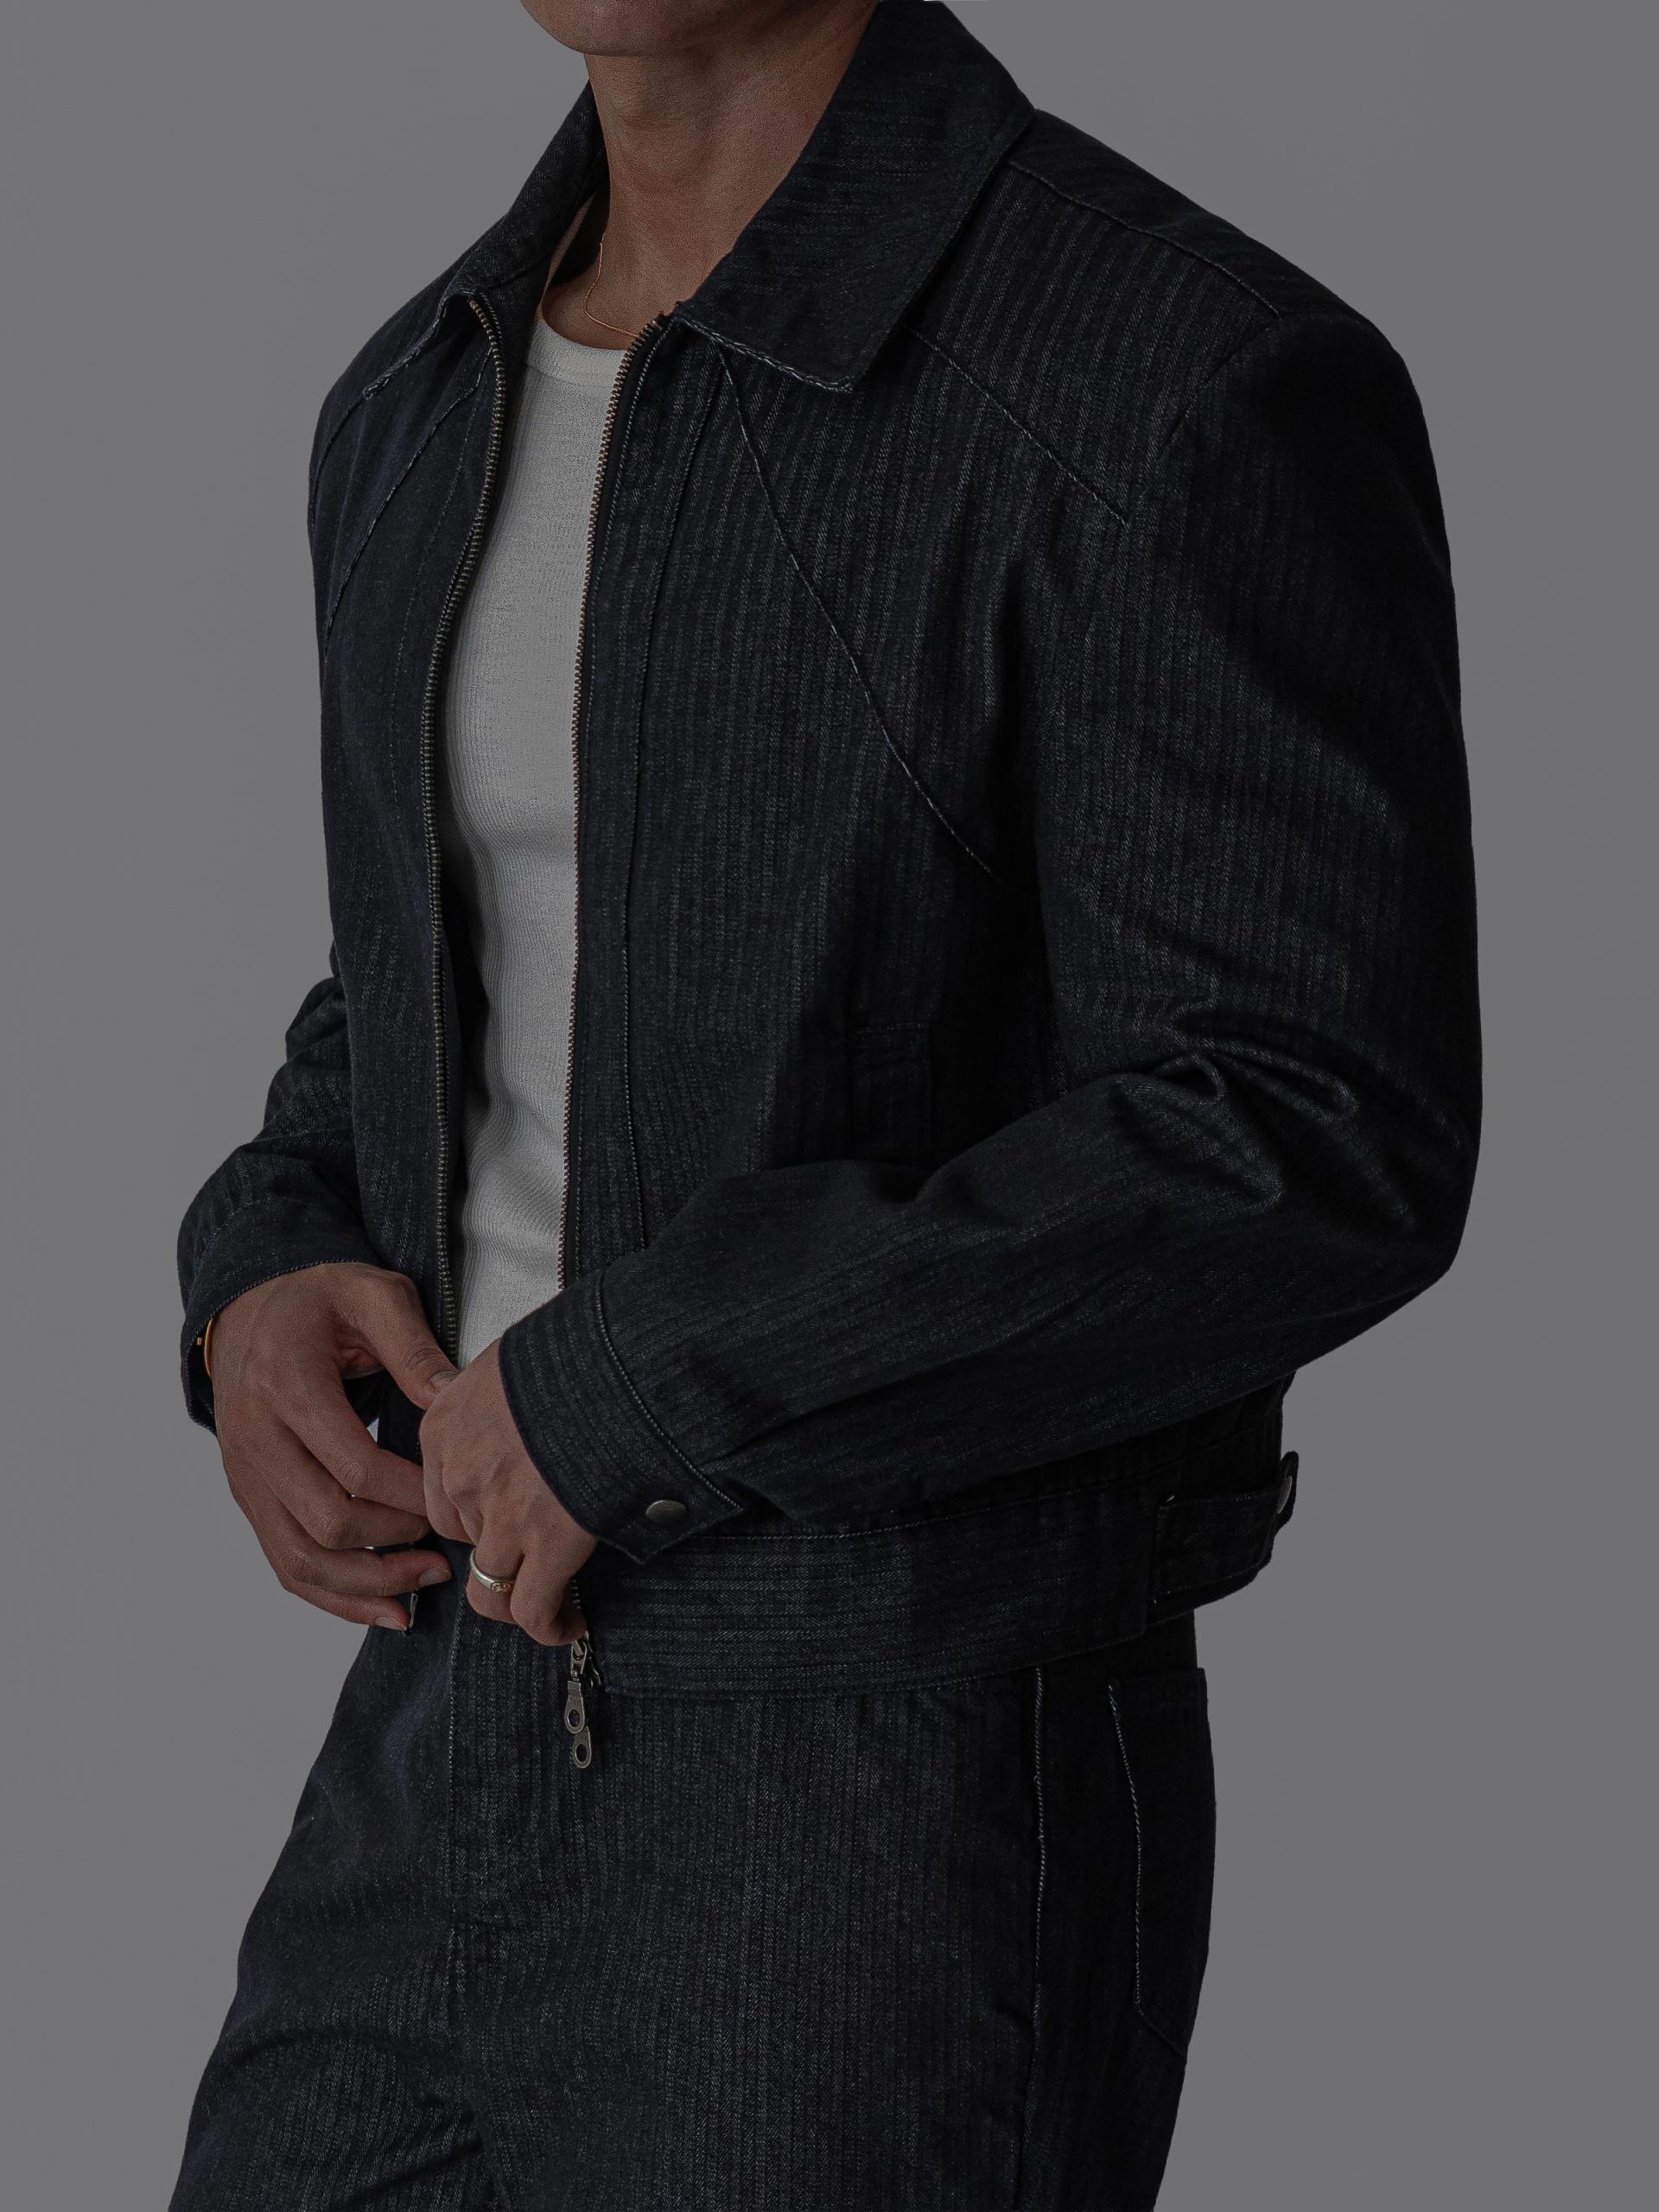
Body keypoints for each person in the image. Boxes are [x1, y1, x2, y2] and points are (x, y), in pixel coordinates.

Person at [169, 2, 1481, 2205]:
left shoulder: (1174, 374)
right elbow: (443, 992)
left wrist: (655, 1378)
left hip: (881, 1772)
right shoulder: (421, 392)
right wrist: (266, 1258)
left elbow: (1307, 1119)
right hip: (434, 1713)